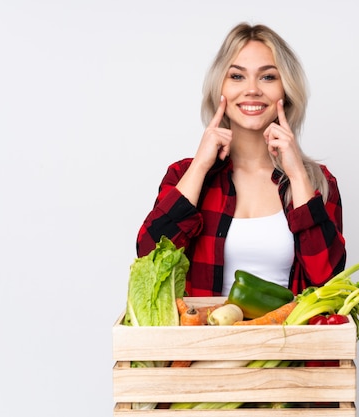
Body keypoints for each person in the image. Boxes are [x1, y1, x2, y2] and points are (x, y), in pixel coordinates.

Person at [136, 22, 346, 296]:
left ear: (286, 90)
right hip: (206, 337)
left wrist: (297, 176)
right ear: (219, 87)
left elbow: (329, 283)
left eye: (268, 77)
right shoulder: (183, 175)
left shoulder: (319, 182)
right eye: (237, 76)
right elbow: (149, 258)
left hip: (290, 337)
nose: (252, 90)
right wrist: (200, 165)